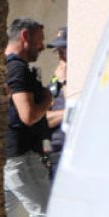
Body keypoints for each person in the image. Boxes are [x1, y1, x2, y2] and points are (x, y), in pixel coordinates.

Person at [3, 17, 53, 217]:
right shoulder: (18, 70)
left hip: (10, 155)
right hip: (22, 156)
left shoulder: (6, 66)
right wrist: (47, 98)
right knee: (47, 216)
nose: (42, 46)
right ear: (24, 36)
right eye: (38, 39)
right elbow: (28, 115)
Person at [44, 27, 67, 182]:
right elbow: (42, 118)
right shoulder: (55, 82)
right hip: (57, 153)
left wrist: (65, 81)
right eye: (58, 51)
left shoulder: (86, 80)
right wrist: (67, 114)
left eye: (64, 50)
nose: (60, 56)